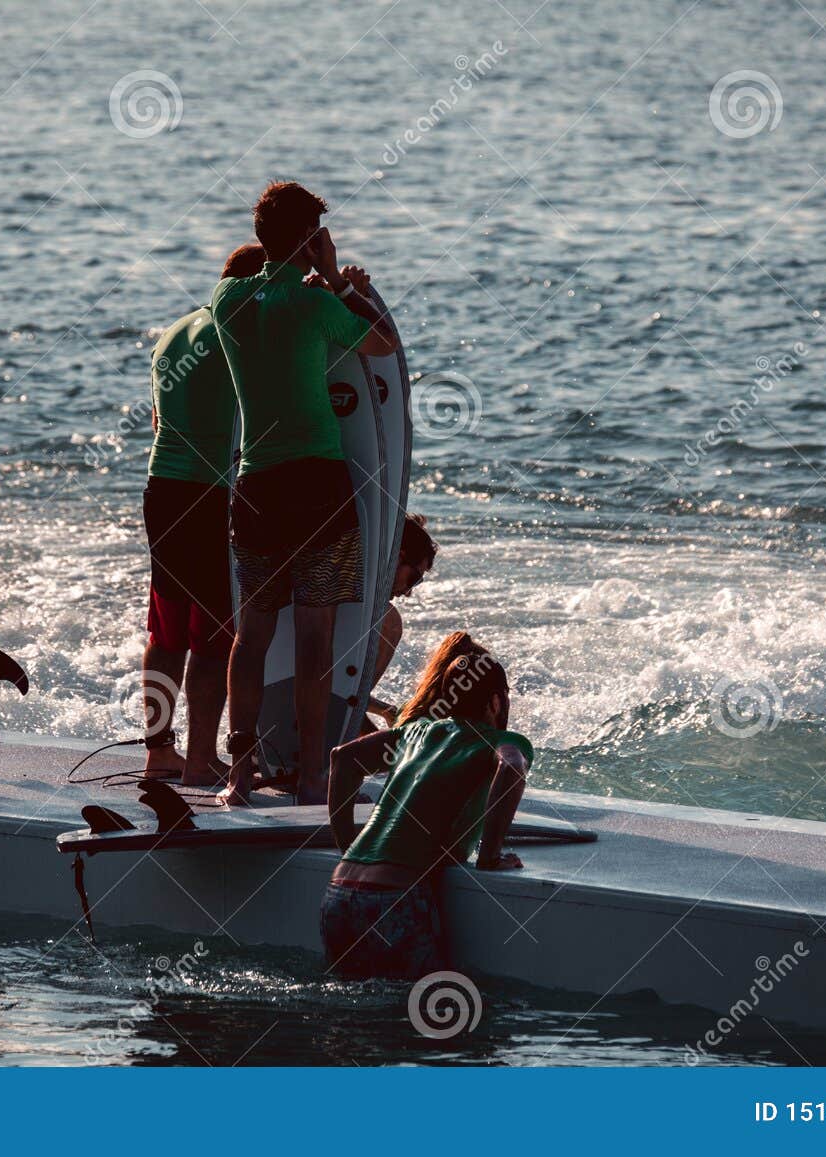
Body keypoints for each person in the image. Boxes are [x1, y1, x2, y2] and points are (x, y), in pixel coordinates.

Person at [211, 181, 398, 806]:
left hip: (256, 485)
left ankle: (239, 775)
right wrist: (339, 281)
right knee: (315, 636)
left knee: (252, 635)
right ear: (310, 238)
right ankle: (314, 777)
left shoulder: (226, 299)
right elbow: (382, 345)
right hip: (318, 487)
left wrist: (304, 267)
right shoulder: (319, 306)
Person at [321, 632, 530, 979]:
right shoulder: (498, 741)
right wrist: (490, 858)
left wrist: (346, 846)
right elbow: (511, 767)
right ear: (495, 703)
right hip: (394, 898)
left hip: (339, 891)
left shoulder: (415, 731)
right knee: (429, 1013)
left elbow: (343, 758)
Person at [140, 243, 267, 786]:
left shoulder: (174, 332)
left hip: (160, 489)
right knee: (214, 638)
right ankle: (199, 760)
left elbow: (156, 419)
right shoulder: (237, 334)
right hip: (204, 496)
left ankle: (159, 751)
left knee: (166, 631)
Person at [366, 513, 438, 728]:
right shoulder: (387, 621)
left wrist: (385, 711)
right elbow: (347, 701)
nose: (408, 592)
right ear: (397, 558)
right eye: (414, 578)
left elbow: (345, 696)